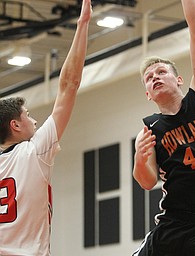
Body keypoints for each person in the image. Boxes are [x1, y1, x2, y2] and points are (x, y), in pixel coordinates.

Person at [132, 0, 195, 255]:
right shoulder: (150, 131)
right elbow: (147, 182)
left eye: (161, 71)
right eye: (149, 77)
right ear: (147, 94)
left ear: (178, 80)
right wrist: (139, 160)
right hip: (174, 223)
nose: (155, 76)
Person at [0, 0, 92, 254]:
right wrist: (83, 24)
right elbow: (70, 84)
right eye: (28, 116)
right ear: (15, 124)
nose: (35, 121)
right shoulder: (34, 151)